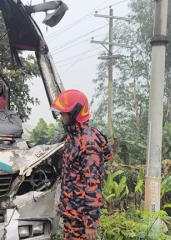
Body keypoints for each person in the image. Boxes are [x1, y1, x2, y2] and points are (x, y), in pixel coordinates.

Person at [52, 89, 112, 240]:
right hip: (71, 213)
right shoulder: (72, 137)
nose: (61, 117)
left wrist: (91, 223)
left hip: (81, 218)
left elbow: (93, 184)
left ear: (74, 113)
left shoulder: (89, 144)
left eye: (63, 113)